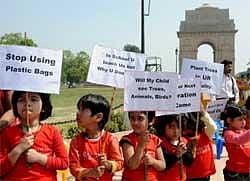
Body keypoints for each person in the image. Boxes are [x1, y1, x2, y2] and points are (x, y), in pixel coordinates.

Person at [0, 91, 68, 180]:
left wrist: (39, 158)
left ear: (43, 106)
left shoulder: (52, 132)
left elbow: (64, 163)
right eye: (21, 100)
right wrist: (18, 149)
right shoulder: (8, 133)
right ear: (15, 106)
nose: (27, 103)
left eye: (33, 99)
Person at [69, 94, 123, 181]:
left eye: (82, 110)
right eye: (79, 109)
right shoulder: (76, 141)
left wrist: (108, 164)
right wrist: (89, 172)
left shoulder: (110, 139)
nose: (78, 113)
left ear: (98, 117)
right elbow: (73, 167)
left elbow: (119, 163)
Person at [119, 111, 165, 181]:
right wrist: (141, 146)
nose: (135, 122)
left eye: (140, 119)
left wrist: (153, 161)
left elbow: (162, 166)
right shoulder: (127, 140)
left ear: (151, 121)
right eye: (132, 118)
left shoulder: (155, 140)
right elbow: (132, 165)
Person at [155, 114, 193, 181]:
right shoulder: (159, 143)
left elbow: (189, 162)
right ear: (163, 127)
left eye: (178, 127)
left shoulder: (184, 141)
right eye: (171, 127)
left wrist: (185, 153)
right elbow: (163, 166)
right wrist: (176, 155)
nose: (176, 131)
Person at [182, 110, 217, 181]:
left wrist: (202, 111)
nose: (187, 129)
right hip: (191, 177)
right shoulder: (182, 139)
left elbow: (212, 126)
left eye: (189, 125)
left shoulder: (205, 134)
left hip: (206, 175)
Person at [223, 105, 250, 181]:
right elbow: (239, 140)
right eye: (240, 119)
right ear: (229, 120)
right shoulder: (228, 133)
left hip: (247, 171)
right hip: (235, 173)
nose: (243, 122)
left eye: (244, 119)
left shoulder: (245, 131)